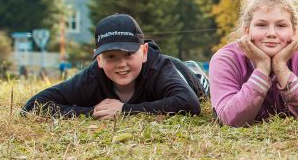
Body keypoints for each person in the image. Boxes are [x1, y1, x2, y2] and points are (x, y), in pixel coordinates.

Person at [23, 13, 206, 119]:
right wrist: (91, 112)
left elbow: (190, 103)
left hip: (187, 75)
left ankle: (195, 70)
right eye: (111, 57)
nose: (121, 64)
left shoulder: (159, 68)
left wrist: (124, 110)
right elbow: (32, 106)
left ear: (143, 52)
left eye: (128, 54)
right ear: (99, 60)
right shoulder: (91, 77)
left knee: (198, 81)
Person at [209, 0, 298, 127]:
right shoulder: (225, 59)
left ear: (294, 32)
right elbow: (228, 120)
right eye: (261, 25)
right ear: (247, 30)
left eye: (281, 25)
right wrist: (262, 67)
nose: (271, 33)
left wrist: (280, 67)